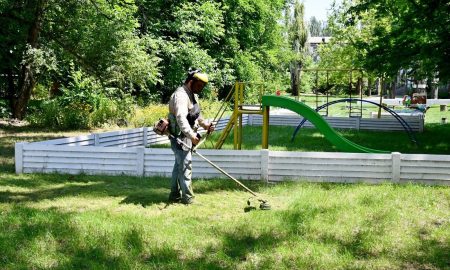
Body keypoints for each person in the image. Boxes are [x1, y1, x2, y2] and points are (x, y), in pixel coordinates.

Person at [167, 68, 214, 204]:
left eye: (203, 87)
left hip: (186, 136)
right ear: (191, 81)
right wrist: (192, 135)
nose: (201, 89)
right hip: (180, 137)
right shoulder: (181, 96)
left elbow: (196, 114)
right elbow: (181, 118)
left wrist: (205, 125)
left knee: (179, 165)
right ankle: (187, 198)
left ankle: (174, 195)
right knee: (185, 165)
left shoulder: (192, 95)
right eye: (199, 85)